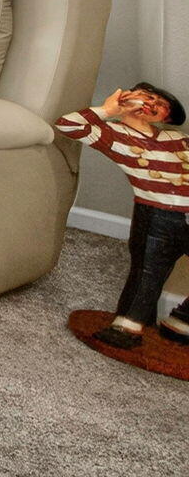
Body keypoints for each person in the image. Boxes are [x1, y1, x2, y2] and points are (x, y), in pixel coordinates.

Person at [55, 83, 189, 350]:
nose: (153, 104)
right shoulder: (113, 134)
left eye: (161, 105)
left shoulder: (177, 139)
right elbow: (67, 125)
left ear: (166, 118)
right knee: (148, 271)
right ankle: (128, 326)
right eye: (147, 97)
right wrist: (107, 110)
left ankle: (182, 322)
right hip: (156, 215)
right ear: (126, 96)